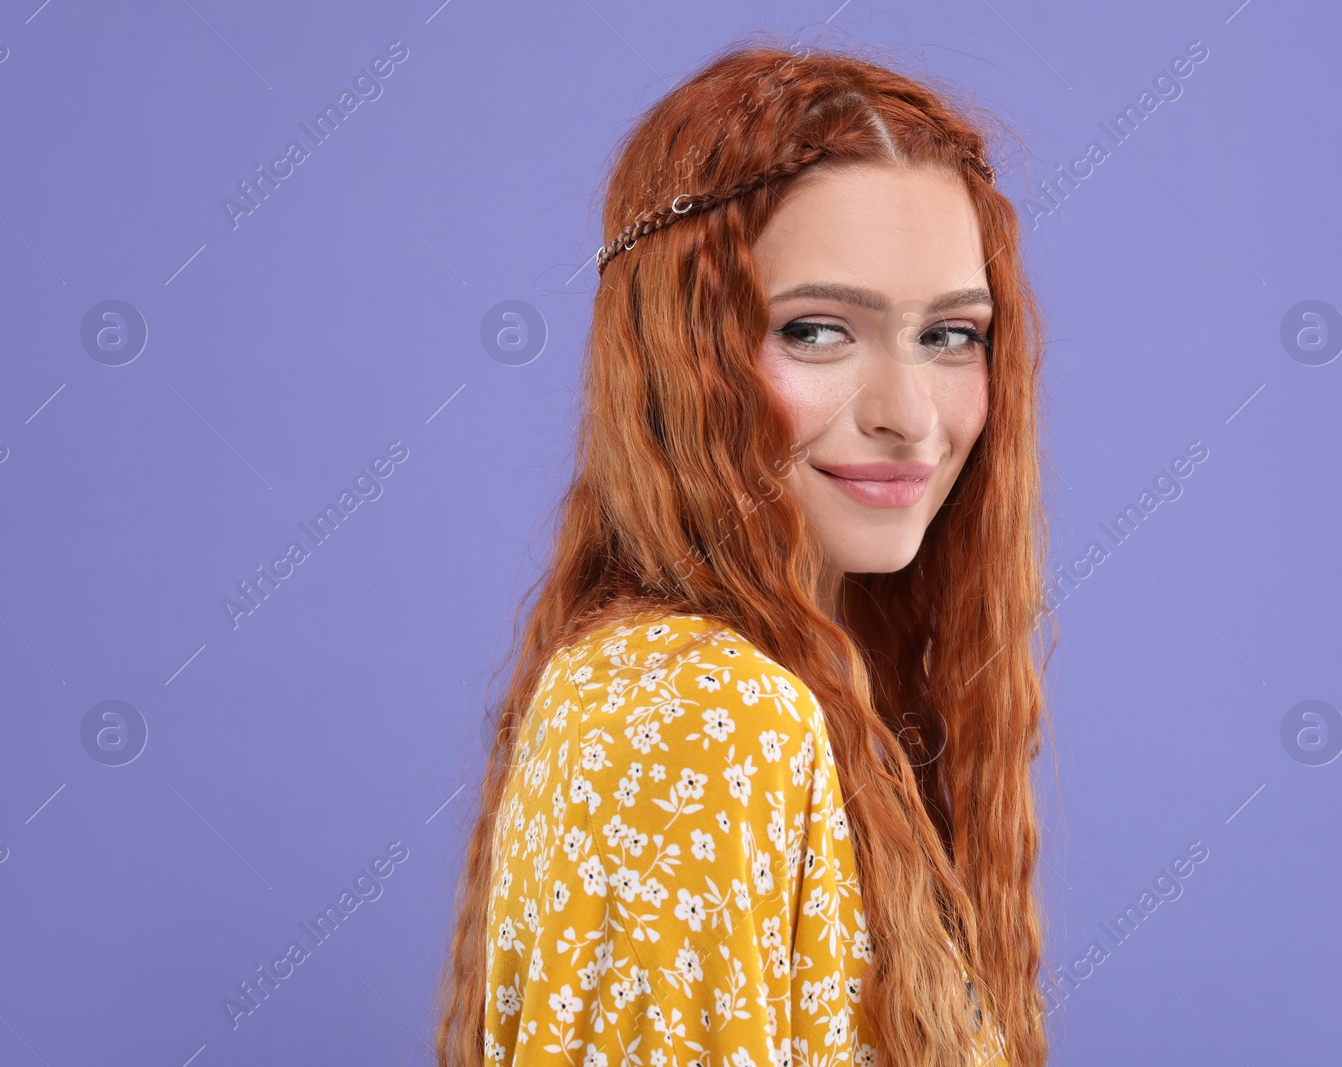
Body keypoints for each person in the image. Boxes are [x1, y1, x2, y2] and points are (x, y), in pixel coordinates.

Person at [434, 35, 1054, 1067]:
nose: (908, 415)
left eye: (950, 335)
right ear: (678, 352)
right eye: (816, 330)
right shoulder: (697, 713)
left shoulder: (757, 689)